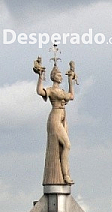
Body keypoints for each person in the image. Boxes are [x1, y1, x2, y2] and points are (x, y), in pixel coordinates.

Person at [35, 56, 77, 185]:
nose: (60, 76)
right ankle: (65, 176)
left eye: (60, 74)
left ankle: (64, 175)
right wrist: (40, 76)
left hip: (63, 118)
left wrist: (71, 80)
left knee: (63, 147)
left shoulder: (62, 90)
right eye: (58, 75)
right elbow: (39, 91)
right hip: (55, 118)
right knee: (67, 145)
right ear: (53, 76)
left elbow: (71, 96)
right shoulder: (51, 90)